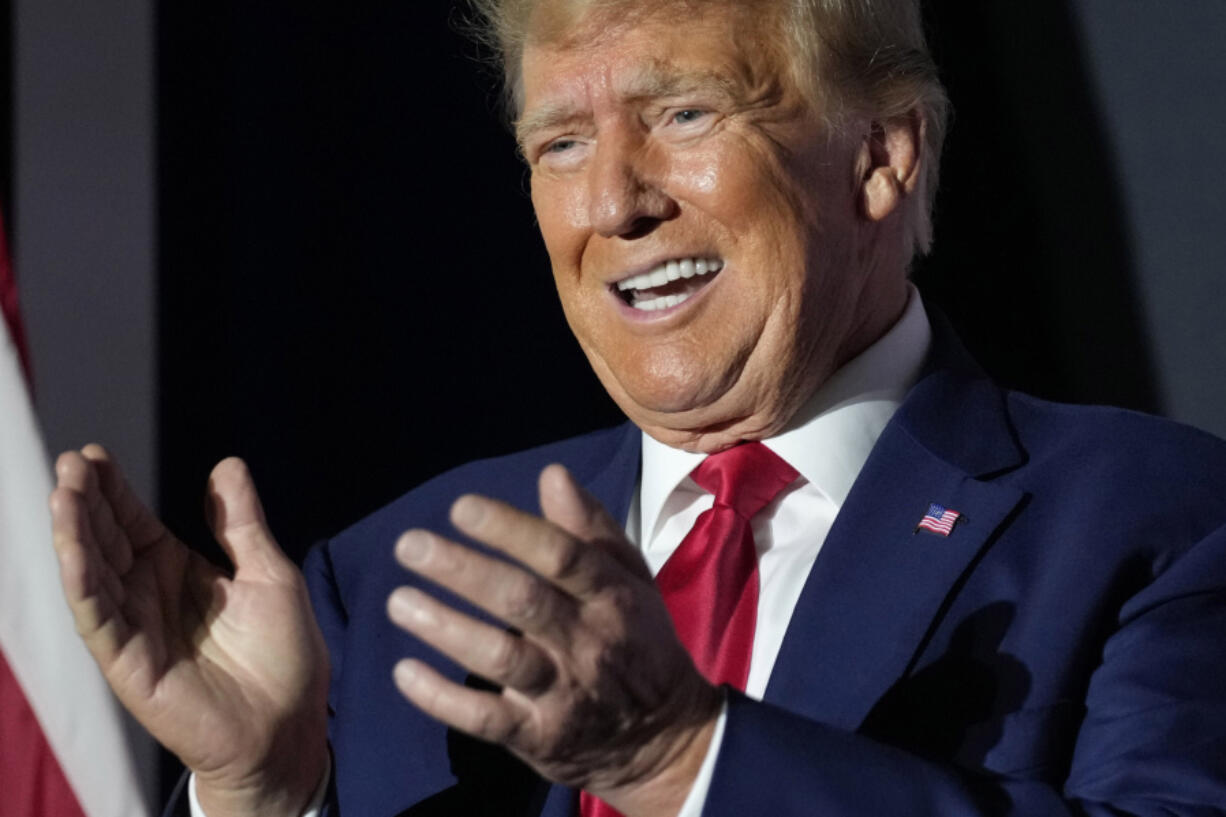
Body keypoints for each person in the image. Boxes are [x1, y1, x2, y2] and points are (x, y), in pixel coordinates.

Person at [49, 0, 1226, 815]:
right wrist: (268, 793)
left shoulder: (1150, 523)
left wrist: (683, 765)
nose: (611, 201)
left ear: (881, 156)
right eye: (560, 142)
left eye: (683, 114)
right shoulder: (393, 584)